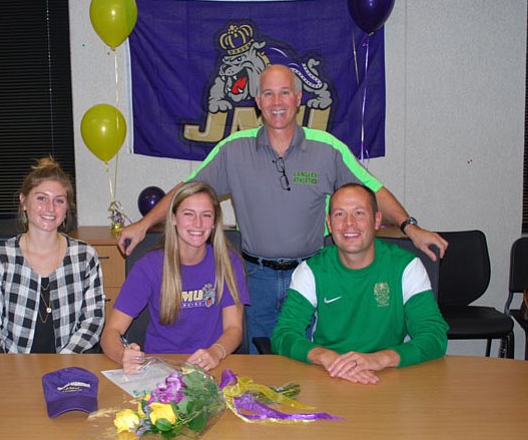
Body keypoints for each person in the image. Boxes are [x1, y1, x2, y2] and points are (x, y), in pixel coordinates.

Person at [118, 64, 448, 352]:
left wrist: (410, 227)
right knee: (262, 363)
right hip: (256, 277)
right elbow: (185, 194)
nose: (277, 102)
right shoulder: (234, 150)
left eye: (285, 93)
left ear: (299, 98)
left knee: (306, 362)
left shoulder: (327, 149)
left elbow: (373, 193)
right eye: (269, 94)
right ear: (258, 101)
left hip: (311, 274)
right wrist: (144, 223)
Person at [271, 183, 448, 384]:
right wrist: (324, 356)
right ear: (329, 223)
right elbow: (284, 334)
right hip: (329, 374)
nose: (349, 223)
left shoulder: (406, 267)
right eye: (339, 214)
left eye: (359, 213)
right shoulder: (311, 270)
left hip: (389, 375)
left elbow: (435, 336)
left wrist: (381, 359)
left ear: (377, 220)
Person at [101, 181, 249, 373]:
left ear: (214, 222)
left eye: (206, 215)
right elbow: (110, 333)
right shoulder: (149, 266)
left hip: (212, 366)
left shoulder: (229, 262)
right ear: (173, 218)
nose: (198, 223)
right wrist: (123, 355)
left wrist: (216, 352)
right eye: (188, 214)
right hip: (160, 369)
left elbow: (234, 329)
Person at [0, 157, 105, 353]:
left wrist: (64, 361)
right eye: (41, 198)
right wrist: (3, 371)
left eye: (59, 201)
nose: (51, 208)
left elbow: (93, 321)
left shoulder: (85, 256)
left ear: (66, 208)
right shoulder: (0, 257)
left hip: (68, 363)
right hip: (9, 365)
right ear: (24, 201)